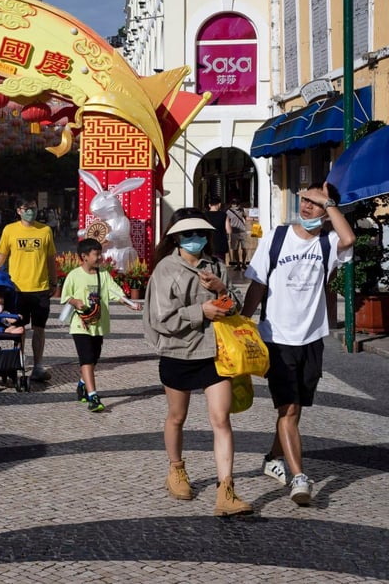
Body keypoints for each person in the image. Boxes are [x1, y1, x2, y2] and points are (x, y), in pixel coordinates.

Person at [241, 182, 354, 506]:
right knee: (288, 409)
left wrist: (329, 203)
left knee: (296, 408)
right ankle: (299, 477)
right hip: (277, 337)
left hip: (312, 338)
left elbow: (349, 239)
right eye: (304, 200)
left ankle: (273, 457)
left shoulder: (330, 243)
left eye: (314, 203)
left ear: (328, 210)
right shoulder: (276, 238)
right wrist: (243, 323)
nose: (306, 207)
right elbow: (257, 285)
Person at [143, 208, 252, 517]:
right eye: (189, 235)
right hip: (178, 353)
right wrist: (199, 312)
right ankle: (176, 470)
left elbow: (235, 307)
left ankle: (226, 490)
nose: (196, 240)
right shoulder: (166, 269)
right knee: (177, 417)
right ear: (177, 237)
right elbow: (161, 319)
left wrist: (222, 290)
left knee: (221, 419)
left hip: (215, 353)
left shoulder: (216, 265)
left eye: (201, 234)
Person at [59, 238, 142, 413]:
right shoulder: (74, 275)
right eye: (96, 254)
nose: (100, 257)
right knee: (87, 358)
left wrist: (131, 304)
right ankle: (93, 396)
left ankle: (82, 384)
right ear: (84, 256)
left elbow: (116, 294)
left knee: (94, 358)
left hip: (98, 325)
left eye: (100, 254)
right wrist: (77, 302)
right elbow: (66, 297)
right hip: (80, 324)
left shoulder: (103, 274)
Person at [0, 195, 58, 383]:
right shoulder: (10, 230)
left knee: (39, 328)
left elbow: (50, 258)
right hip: (17, 288)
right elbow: (1, 256)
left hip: (40, 287)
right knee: (19, 328)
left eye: (33, 207)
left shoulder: (45, 231)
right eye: (26, 208)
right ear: (18, 211)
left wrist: (54, 280)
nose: (30, 211)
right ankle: (20, 361)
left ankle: (38, 365)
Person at [225, 197, 249, 269]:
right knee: (237, 249)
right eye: (234, 203)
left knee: (241, 249)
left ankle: (241, 264)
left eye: (236, 204)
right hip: (237, 232)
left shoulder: (241, 210)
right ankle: (240, 264)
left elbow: (246, 218)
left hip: (239, 232)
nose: (235, 205)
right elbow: (227, 221)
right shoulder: (229, 212)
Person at [204, 196, 229, 264]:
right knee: (221, 265)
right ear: (219, 204)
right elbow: (229, 230)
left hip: (207, 244)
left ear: (209, 205)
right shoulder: (224, 215)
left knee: (208, 264)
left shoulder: (204, 215)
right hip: (220, 245)